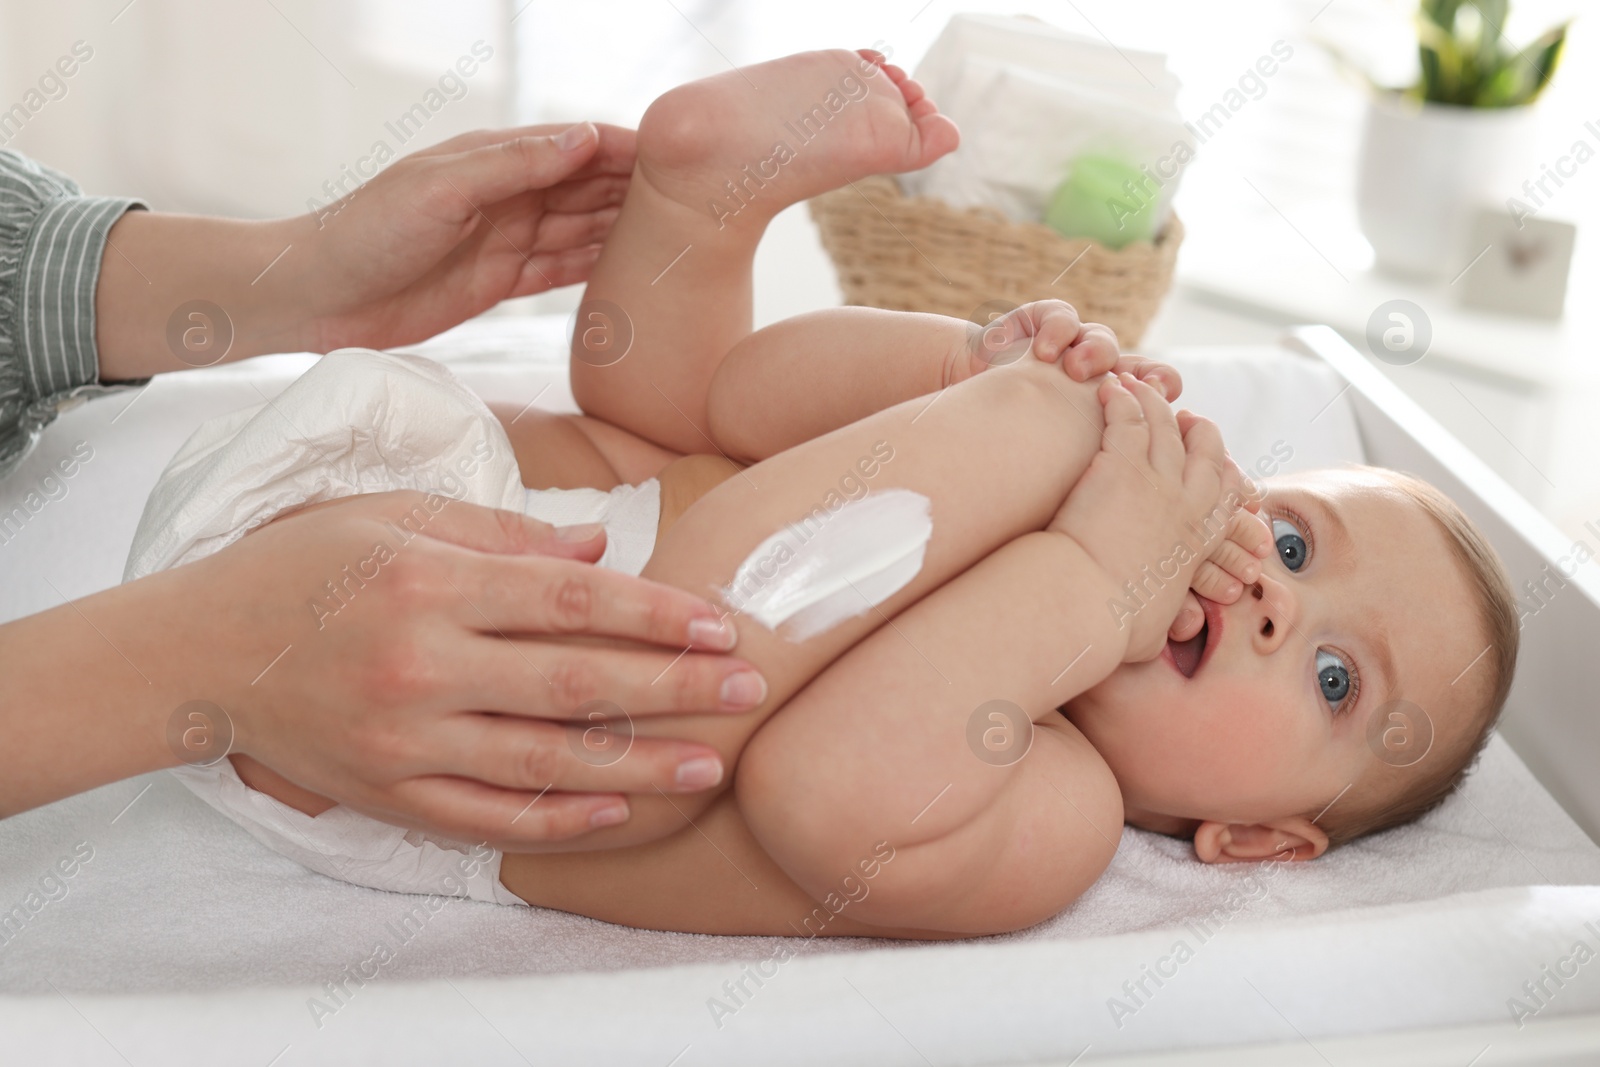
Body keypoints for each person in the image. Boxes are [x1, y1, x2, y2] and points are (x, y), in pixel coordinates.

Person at [195, 48, 1516, 936]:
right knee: (684, 416)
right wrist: (964, 362)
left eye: (1337, 680)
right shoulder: (1021, 502)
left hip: (418, 713)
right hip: (438, 487)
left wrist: (1091, 577)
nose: (1276, 599)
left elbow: (819, 789)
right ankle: (699, 199)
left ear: (1259, 838)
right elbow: (755, 398)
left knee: (678, 715)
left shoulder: (1054, 809)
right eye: (1289, 535)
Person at [0, 125, 774, 844]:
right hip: (229, 623)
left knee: (679, 445)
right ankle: (692, 217)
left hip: (265, 596)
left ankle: (699, 221)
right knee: (663, 438)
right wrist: (203, 648)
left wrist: (297, 276)